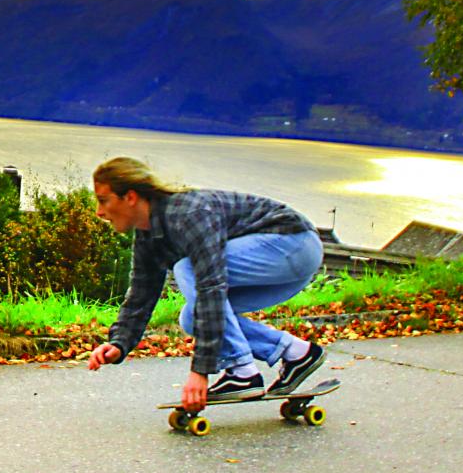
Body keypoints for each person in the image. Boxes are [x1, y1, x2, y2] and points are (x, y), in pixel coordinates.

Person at [85, 157, 326, 412]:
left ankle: (242, 372)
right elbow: (141, 295)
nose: (99, 212)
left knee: (186, 268)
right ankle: (297, 353)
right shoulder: (148, 235)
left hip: (294, 244)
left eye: (103, 200)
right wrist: (119, 343)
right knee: (192, 318)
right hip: (280, 264)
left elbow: (211, 285)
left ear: (130, 197)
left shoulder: (188, 214)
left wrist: (201, 371)